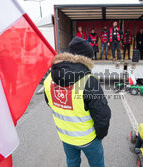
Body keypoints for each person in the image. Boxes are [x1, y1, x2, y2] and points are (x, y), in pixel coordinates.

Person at [44, 37, 111, 167]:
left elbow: (49, 103)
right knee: (97, 164)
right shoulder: (88, 81)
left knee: (72, 162)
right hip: (88, 139)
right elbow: (102, 115)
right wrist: (100, 136)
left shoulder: (50, 78)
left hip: (65, 137)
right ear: (86, 59)